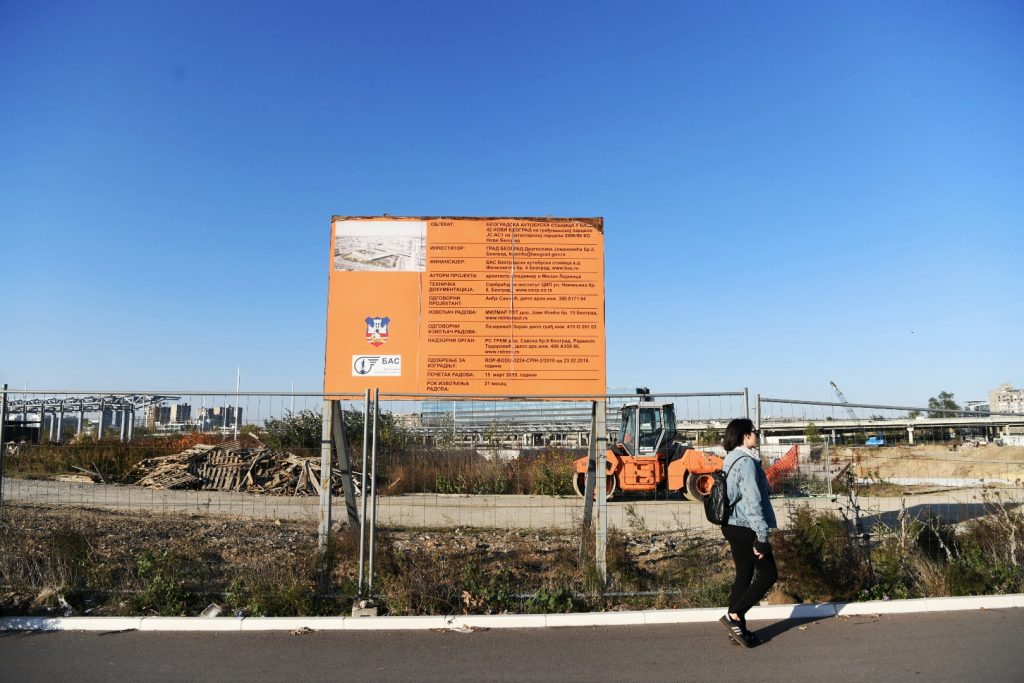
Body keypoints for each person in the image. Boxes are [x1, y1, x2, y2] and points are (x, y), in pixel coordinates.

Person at [718, 418, 778, 648]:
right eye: (755, 431)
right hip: (745, 526)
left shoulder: (731, 459)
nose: (758, 435)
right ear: (745, 435)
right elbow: (753, 501)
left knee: (744, 574)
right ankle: (734, 615)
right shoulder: (746, 463)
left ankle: (737, 631)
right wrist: (762, 537)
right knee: (769, 574)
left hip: (731, 525)